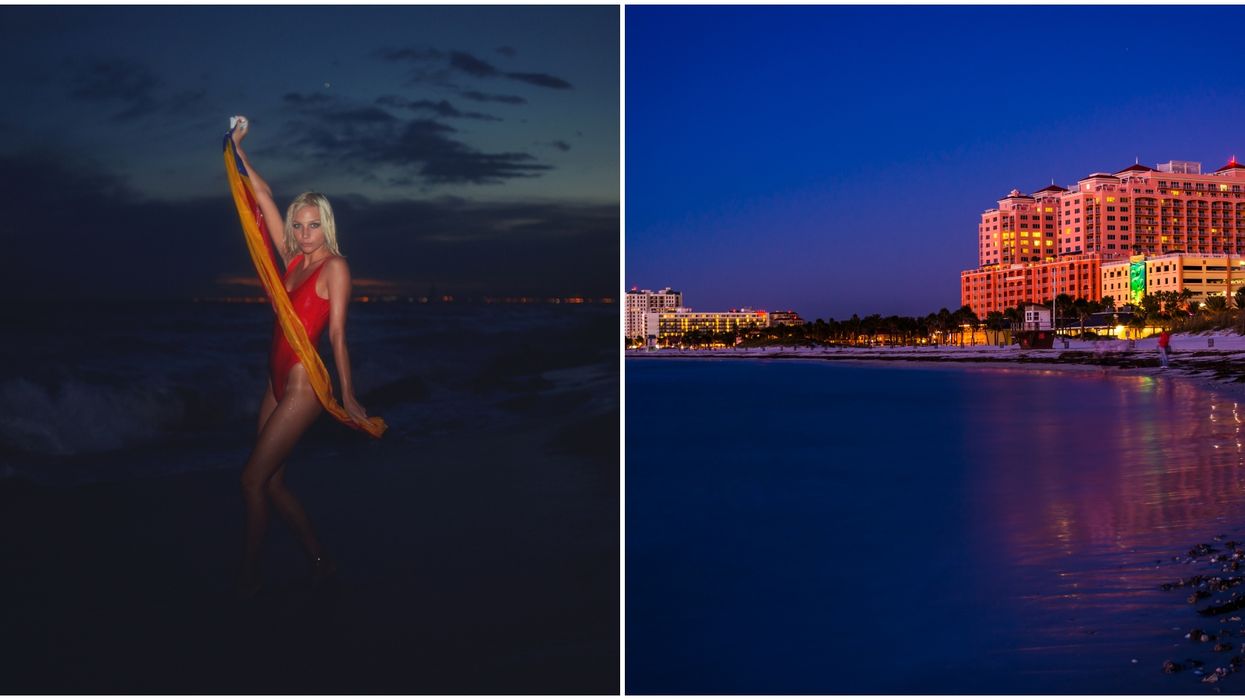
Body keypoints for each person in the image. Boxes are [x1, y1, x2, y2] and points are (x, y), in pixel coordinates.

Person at [230, 116, 371, 598]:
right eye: (299, 224)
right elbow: (264, 195)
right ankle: (321, 562)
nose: (306, 232)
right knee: (270, 484)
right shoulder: (289, 261)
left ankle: (248, 577)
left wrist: (348, 396)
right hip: (272, 380)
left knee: (250, 480)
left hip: (303, 384)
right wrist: (238, 147)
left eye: (314, 225)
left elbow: (337, 336)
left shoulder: (336, 267)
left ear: (325, 226)